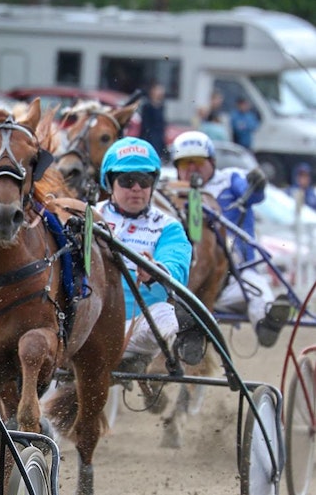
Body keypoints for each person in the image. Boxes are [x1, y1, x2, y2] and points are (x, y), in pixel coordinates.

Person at [170, 130, 291, 347]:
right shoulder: (170, 192)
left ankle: (267, 323)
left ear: (212, 161)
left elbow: (254, 194)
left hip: (236, 270)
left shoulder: (230, 179)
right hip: (186, 272)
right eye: (184, 163)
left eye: (197, 161)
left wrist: (257, 183)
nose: (191, 168)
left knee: (255, 289)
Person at [98, 137, 192, 371]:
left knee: (168, 316)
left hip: (141, 324)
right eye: (127, 180)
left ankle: (160, 361)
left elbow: (177, 267)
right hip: (91, 323)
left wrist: (156, 271)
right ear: (110, 183)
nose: (137, 188)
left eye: (144, 180)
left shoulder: (168, 227)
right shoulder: (87, 217)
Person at [139, 82, 168, 159]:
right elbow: (145, 123)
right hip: (149, 135)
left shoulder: (161, 106)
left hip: (159, 135)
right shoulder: (147, 106)